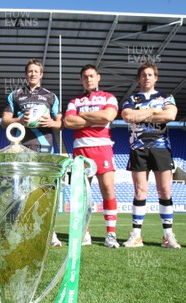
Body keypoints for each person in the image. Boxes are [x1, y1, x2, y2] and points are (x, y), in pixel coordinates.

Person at [1, 58, 64, 247]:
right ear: (26, 74)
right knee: (19, 191)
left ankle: (49, 233)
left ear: (41, 74)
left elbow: (60, 123)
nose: (33, 74)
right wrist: (20, 120)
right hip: (21, 147)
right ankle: (18, 231)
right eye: (30, 71)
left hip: (45, 147)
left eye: (36, 71)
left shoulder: (51, 96)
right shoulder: (15, 95)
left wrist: (50, 123)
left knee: (45, 191)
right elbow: (5, 121)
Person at [120, 63, 181, 249]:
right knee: (140, 191)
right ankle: (136, 236)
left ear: (156, 78)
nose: (146, 78)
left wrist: (142, 114)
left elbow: (170, 115)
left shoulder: (166, 96)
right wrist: (155, 111)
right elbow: (127, 116)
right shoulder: (131, 98)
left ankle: (167, 235)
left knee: (165, 191)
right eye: (143, 75)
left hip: (161, 147)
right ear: (139, 78)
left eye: (150, 75)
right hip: (138, 148)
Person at [64, 64, 120, 248]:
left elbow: (108, 116)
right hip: (81, 150)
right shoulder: (74, 101)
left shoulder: (108, 97)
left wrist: (84, 116)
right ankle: (84, 233)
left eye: (92, 76)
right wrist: (96, 117)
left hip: (102, 147)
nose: (89, 79)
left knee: (108, 189)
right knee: (81, 194)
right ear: (81, 80)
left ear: (98, 77)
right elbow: (69, 121)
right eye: (85, 76)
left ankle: (110, 234)